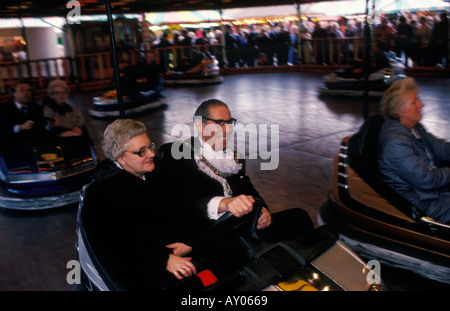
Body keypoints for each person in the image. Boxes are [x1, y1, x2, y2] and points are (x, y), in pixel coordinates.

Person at [154, 99, 315, 264]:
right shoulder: (176, 153)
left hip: (239, 227)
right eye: (219, 123)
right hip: (205, 234)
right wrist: (224, 203)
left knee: (298, 218)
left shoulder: (233, 158)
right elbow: (181, 202)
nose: (227, 130)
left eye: (229, 123)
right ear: (200, 125)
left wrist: (264, 212)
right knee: (240, 252)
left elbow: (249, 191)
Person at [81, 119, 204, 290]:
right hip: (140, 267)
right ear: (121, 158)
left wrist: (189, 241)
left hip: (176, 246)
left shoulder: (155, 171)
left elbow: (183, 206)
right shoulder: (102, 192)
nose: (152, 154)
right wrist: (163, 260)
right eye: (141, 151)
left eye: (150, 146)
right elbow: (117, 248)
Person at [378, 78, 450, 224]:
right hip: (420, 200)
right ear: (400, 111)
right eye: (414, 102)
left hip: (431, 192)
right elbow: (426, 180)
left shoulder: (414, 127)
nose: (421, 105)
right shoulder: (395, 142)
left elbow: (440, 148)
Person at [0, 80, 49, 149]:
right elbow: (2, 130)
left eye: (29, 91)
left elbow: (41, 127)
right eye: (22, 90)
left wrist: (49, 126)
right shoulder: (3, 108)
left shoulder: (35, 107)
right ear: (14, 93)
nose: (26, 93)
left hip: (34, 145)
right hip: (12, 147)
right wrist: (20, 127)